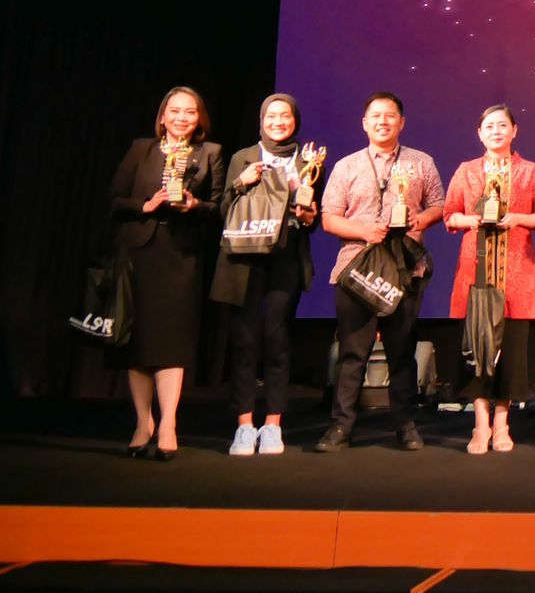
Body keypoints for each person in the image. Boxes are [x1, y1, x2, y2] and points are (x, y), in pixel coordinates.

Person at [317, 92, 444, 452]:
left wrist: (421, 219)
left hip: (405, 270)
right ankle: (341, 427)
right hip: (356, 270)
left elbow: (439, 204)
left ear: (402, 122)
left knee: (401, 353)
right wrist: (364, 231)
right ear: (364, 123)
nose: (382, 121)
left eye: (390, 115)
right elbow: (329, 218)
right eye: (375, 116)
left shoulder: (421, 162)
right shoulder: (347, 166)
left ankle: (405, 426)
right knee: (352, 353)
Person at [106, 86, 224, 459]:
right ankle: (143, 422)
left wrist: (195, 205)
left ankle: (169, 422)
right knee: (138, 341)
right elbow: (114, 200)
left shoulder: (211, 153)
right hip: (139, 252)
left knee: (171, 340)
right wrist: (144, 206)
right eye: (174, 111)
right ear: (162, 116)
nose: (181, 118)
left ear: (199, 118)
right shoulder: (141, 149)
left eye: (190, 111)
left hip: (180, 257)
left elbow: (219, 207)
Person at [212, 94, 320, 457]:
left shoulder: (308, 160)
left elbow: (313, 217)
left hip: (285, 258)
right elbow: (223, 209)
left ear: (295, 120)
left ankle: (273, 424)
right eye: (271, 115)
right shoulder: (243, 157)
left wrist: (308, 215)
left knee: (277, 339)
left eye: (285, 115)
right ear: (261, 120)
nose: (278, 121)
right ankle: (244, 425)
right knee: (244, 341)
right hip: (244, 257)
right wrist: (240, 182)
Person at [444, 105, 535, 454]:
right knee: (477, 350)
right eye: (489, 126)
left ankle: (503, 423)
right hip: (474, 274)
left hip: (517, 273)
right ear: (479, 133)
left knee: (511, 353)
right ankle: (480, 425)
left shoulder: (530, 171)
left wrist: (517, 218)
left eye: (502, 125)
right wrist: (470, 221)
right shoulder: (466, 170)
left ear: (514, 131)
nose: (496, 131)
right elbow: (449, 215)